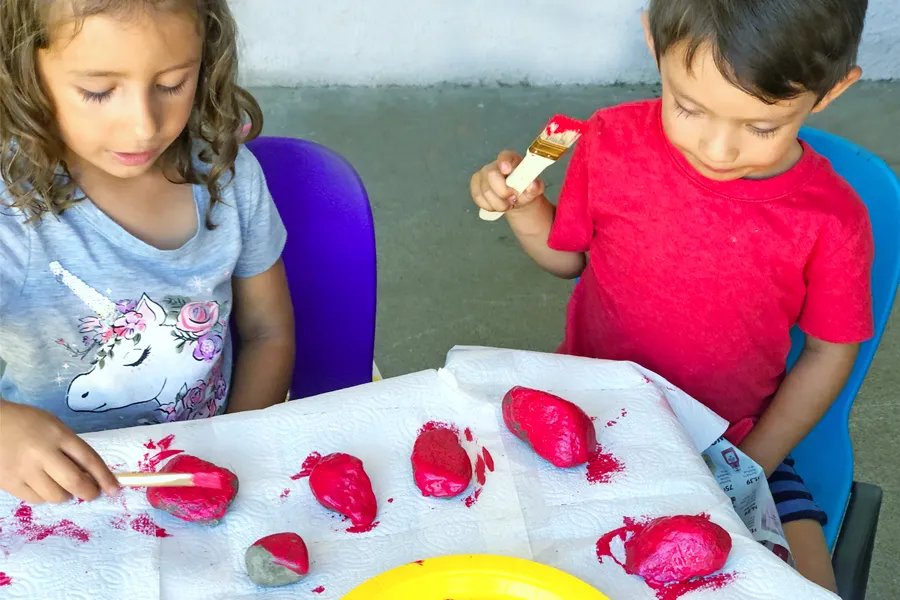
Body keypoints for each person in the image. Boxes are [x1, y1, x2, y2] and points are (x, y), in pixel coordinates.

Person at [470, 0, 872, 591]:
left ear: (831, 91)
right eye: (687, 107)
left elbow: (828, 351)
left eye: (761, 127)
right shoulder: (610, 140)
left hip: (734, 439)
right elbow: (569, 262)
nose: (717, 151)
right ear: (654, 47)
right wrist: (526, 211)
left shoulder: (833, 221)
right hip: (588, 414)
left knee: (804, 584)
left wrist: (746, 464)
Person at [0, 1, 295, 507]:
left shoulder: (229, 177)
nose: (143, 126)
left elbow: (268, 331)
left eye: (172, 84)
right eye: (97, 90)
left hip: (206, 471)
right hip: (50, 496)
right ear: (24, 73)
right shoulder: (9, 209)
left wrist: (231, 450)